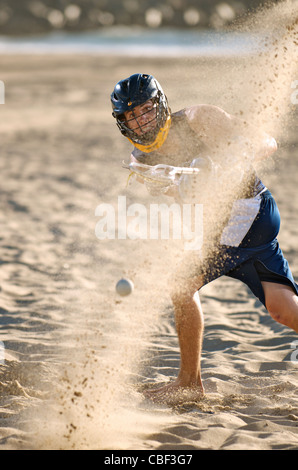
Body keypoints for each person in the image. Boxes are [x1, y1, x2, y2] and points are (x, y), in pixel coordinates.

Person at [111, 73, 298, 404]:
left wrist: (228, 162)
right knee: (282, 310)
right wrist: (191, 187)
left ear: (161, 104)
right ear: (122, 123)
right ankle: (188, 382)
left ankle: (188, 383)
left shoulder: (199, 119)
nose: (141, 121)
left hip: (247, 212)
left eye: (146, 110)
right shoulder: (140, 161)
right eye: (131, 116)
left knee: (181, 286)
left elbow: (267, 142)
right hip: (223, 226)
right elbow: (178, 193)